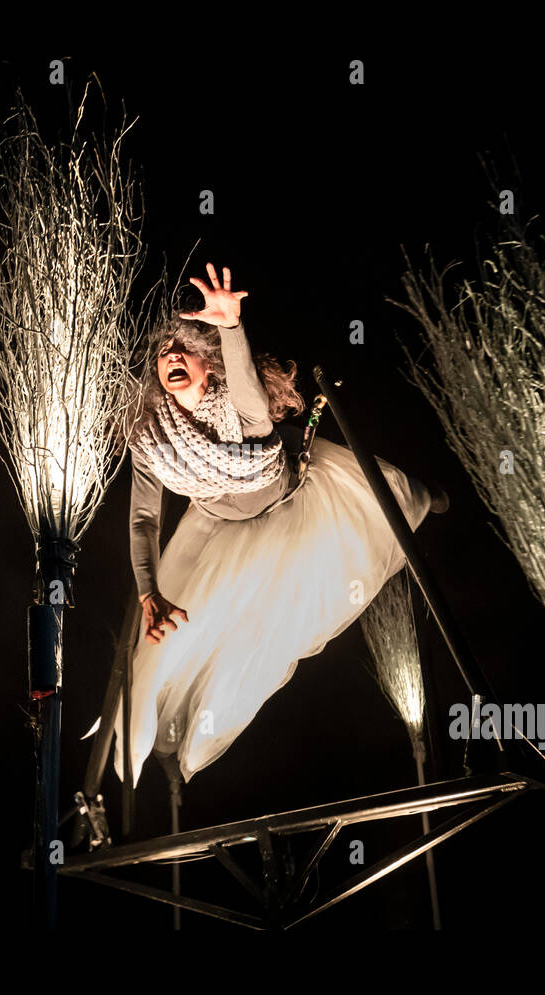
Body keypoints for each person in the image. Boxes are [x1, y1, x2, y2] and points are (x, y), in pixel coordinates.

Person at [114, 263, 443, 786]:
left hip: (289, 507)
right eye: (162, 352)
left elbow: (247, 390)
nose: (172, 355)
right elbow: (144, 518)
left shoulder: (240, 408)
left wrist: (230, 327)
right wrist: (148, 590)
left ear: (209, 365)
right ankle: (159, 753)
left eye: (185, 348)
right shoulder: (151, 436)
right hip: (218, 526)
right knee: (186, 646)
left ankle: (421, 496)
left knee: (378, 502)